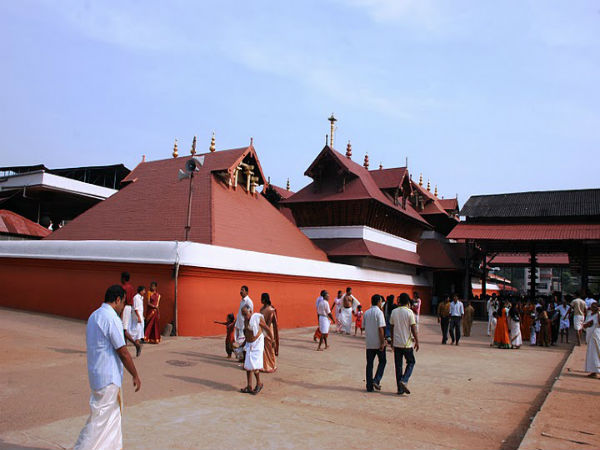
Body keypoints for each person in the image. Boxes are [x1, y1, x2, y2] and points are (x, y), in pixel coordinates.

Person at [73, 285, 141, 450]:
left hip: (97, 373)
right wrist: (135, 374)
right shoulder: (111, 318)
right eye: (123, 302)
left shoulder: (94, 316)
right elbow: (123, 351)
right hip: (108, 377)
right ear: (117, 300)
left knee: (112, 416)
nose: (123, 307)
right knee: (99, 419)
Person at [239, 306, 273, 395]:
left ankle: (259, 384)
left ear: (250, 311)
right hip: (249, 344)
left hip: (257, 343)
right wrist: (243, 344)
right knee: (247, 365)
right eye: (243, 315)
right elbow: (247, 334)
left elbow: (267, 328)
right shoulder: (245, 320)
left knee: (254, 366)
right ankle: (249, 386)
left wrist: (272, 340)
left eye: (245, 314)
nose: (244, 316)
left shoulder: (257, 318)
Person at [390, 293, 419, 395]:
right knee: (411, 362)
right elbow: (413, 328)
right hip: (407, 343)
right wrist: (417, 341)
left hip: (397, 343)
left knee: (398, 366)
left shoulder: (394, 312)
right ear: (407, 302)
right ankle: (404, 380)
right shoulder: (409, 312)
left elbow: (392, 327)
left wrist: (392, 341)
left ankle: (400, 388)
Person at [364, 294, 386, 392]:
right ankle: (376, 379)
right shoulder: (379, 313)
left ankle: (369, 385)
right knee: (382, 361)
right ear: (378, 302)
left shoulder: (366, 312)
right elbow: (381, 329)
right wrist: (382, 342)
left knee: (369, 364)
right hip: (378, 342)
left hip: (369, 342)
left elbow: (364, 327)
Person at [260, 293, 279, 373]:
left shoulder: (271, 310)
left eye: (261, 298)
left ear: (264, 299)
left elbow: (269, 322)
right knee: (263, 348)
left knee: (269, 348)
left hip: (268, 330)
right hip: (262, 329)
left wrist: (265, 331)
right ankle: (264, 365)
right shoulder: (262, 309)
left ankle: (271, 365)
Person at [583, 303, 600, 378]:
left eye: (595, 307)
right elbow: (585, 324)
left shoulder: (598, 314)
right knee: (591, 354)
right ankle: (594, 371)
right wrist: (587, 325)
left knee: (596, 353)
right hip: (590, 336)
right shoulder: (590, 314)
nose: (593, 308)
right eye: (592, 307)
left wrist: (599, 313)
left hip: (596, 336)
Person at [129, 286, 145, 356]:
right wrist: (138, 317)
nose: (144, 292)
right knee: (135, 331)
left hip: (140, 316)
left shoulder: (141, 298)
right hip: (136, 317)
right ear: (140, 291)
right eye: (143, 290)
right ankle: (137, 344)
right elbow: (136, 308)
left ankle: (137, 344)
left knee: (139, 332)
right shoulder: (136, 298)